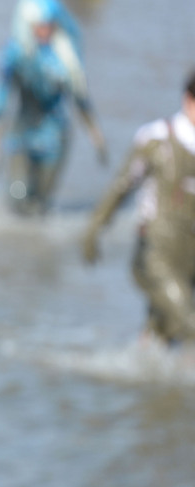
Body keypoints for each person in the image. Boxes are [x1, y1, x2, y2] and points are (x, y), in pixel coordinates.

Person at [82, 71, 195, 345]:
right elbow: (122, 186)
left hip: (190, 256)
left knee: (163, 332)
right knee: (189, 322)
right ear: (188, 99)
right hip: (156, 251)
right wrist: (94, 229)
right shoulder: (157, 138)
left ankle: (153, 381)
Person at [0, 0, 106, 216]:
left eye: (50, 24)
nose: (45, 30)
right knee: (16, 198)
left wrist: (96, 137)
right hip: (22, 135)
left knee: (40, 206)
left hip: (54, 138)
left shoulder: (66, 58)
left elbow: (81, 100)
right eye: (39, 24)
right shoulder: (15, 53)